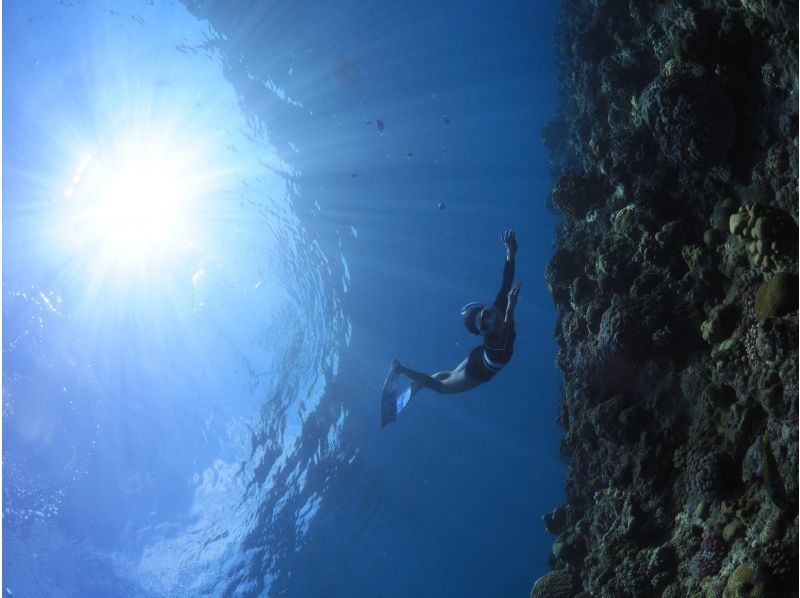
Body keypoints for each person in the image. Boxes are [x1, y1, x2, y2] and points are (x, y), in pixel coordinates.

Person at [392, 229, 521, 396]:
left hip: (479, 357)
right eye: (484, 324)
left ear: (487, 308)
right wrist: (510, 308)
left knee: (449, 376)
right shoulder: (494, 344)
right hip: (479, 366)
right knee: (442, 387)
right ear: (484, 333)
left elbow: (506, 282)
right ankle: (400, 369)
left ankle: (419, 384)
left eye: (486, 314)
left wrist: (510, 254)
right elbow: (507, 337)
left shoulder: (497, 310)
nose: (490, 320)